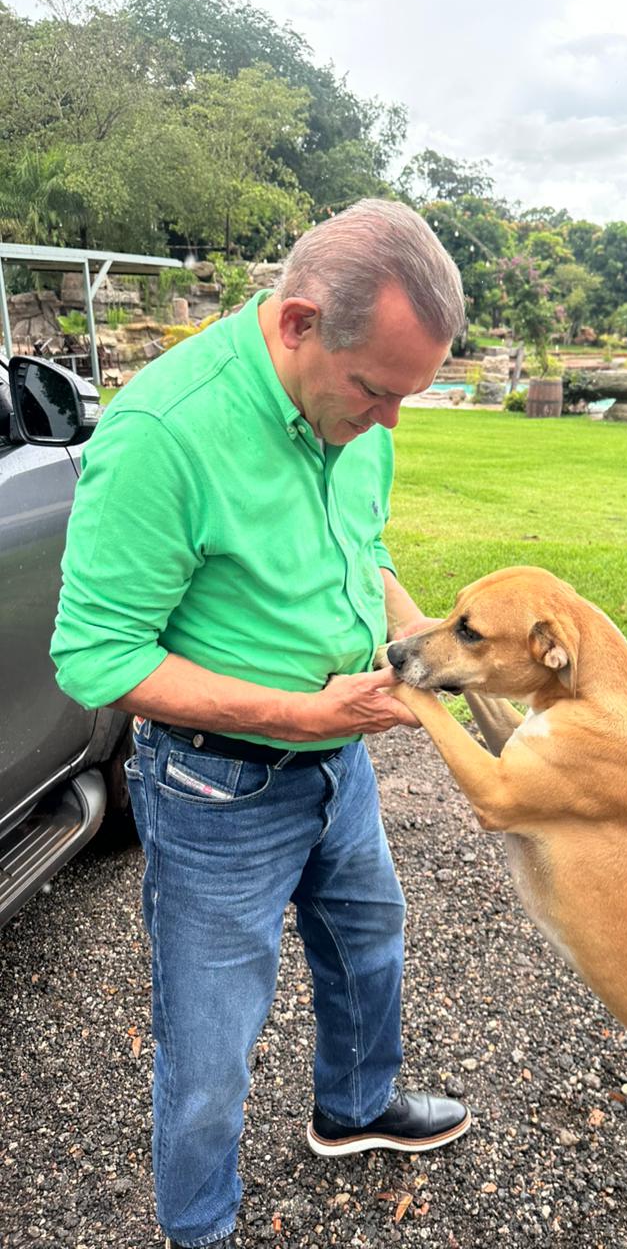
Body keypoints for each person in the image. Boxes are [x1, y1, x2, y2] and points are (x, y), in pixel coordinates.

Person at [51, 199, 470, 1249]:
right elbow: (98, 657)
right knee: (210, 1040)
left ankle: (354, 1107)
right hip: (216, 786)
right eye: (377, 390)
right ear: (296, 323)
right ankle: (199, 1227)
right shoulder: (163, 433)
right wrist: (302, 710)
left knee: (368, 938)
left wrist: (414, 634)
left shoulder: (352, 414)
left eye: (408, 395)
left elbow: (359, 548)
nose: (391, 423)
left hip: (340, 763)